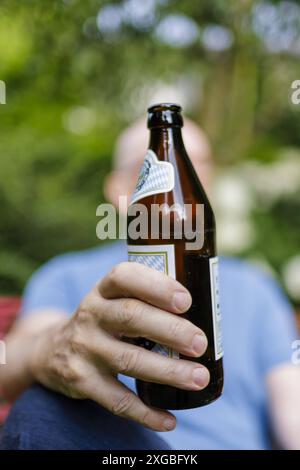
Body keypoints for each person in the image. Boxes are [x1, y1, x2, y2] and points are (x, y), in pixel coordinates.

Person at [0, 117, 299, 450]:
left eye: (194, 166)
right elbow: (9, 363)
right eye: (152, 167)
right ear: (118, 190)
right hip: (117, 449)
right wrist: (50, 350)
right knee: (42, 406)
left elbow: (293, 409)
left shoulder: (257, 287)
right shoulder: (65, 274)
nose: (181, 180)